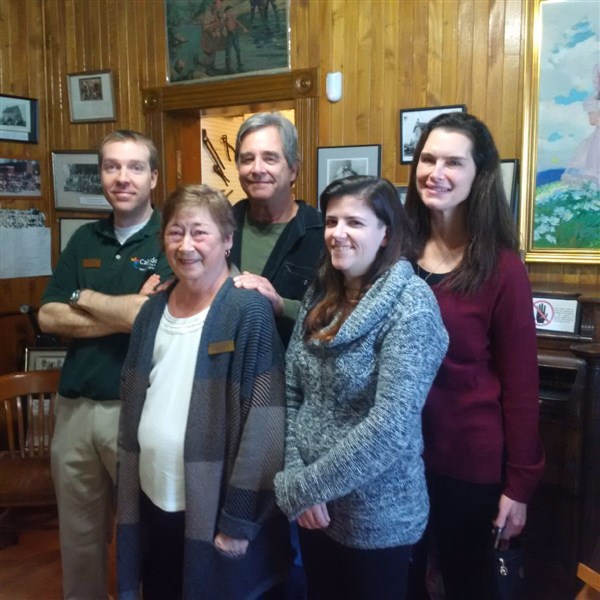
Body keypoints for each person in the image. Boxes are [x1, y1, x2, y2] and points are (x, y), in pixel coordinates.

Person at [274, 175, 449, 600]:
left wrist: (304, 487)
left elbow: (389, 428)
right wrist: (302, 483)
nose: (338, 234)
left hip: (378, 518)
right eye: (332, 221)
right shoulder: (320, 292)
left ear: (385, 231)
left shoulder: (412, 305)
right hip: (316, 513)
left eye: (354, 222)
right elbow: (294, 391)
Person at [116, 184, 291, 599]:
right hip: (152, 494)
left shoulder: (246, 311)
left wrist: (239, 520)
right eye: (175, 233)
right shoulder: (151, 312)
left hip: (213, 507)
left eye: (200, 233)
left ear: (228, 241)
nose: (186, 245)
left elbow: (265, 429)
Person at [404, 112, 545, 599]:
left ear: (479, 175)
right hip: (396, 460)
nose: (435, 172)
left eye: (452, 162)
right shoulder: (393, 252)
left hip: (468, 463)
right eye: (427, 159)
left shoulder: (502, 267)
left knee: (468, 587)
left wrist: (520, 485)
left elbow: (523, 386)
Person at [39, 129, 172, 599]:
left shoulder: (170, 237)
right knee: (79, 540)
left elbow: (150, 316)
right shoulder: (84, 239)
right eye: (112, 167)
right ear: (101, 175)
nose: (122, 177)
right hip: (74, 410)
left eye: (135, 167)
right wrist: (124, 311)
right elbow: (48, 315)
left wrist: (85, 298)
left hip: (136, 411)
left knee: (143, 533)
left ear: (153, 177)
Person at [231, 111, 324, 347]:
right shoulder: (220, 227)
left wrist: (282, 306)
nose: (257, 169)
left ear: (293, 170)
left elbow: (343, 313)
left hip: (290, 377)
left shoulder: (323, 234)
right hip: (222, 374)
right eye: (247, 159)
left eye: (270, 158)